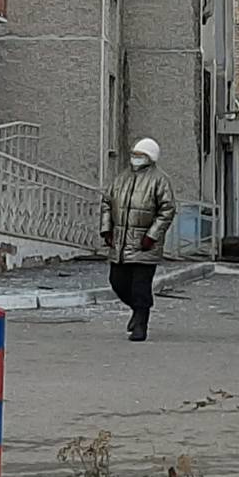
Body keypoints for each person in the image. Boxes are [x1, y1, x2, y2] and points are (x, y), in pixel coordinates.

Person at [101, 138, 176, 343]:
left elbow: (167, 210)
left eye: (140, 155)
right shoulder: (122, 178)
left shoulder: (159, 180)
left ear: (150, 158)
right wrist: (106, 229)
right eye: (134, 154)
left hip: (145, 245)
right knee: (117, 281)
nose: (135, 158)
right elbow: (107, 202)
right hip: (120, 243)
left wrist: (152, 235)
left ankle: (141, 324)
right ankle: (137, 310)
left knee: (140, 286)